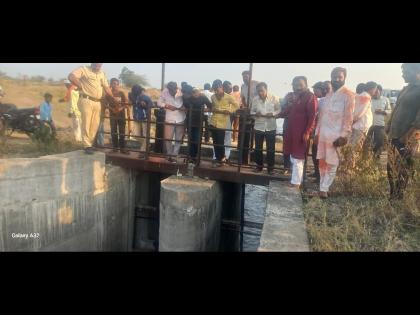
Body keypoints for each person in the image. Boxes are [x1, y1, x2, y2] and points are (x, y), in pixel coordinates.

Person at [315, 67, 355, 199]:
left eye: (340, 77)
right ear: (331, 77)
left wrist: (344, 136)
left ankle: (324, 189)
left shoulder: (349, 95)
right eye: (334, 77)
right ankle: (322, 186)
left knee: (332, 163)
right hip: (323, 134)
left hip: (336, 136)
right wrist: (316, 133)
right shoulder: (328, 94)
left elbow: (349, 117)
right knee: (322, 161)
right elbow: (322, 116)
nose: (336, 79)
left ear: (344, 78)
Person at [386, 63, 420, 199]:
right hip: (395, 134)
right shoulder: (406, 89)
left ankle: (399, 197)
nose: (403, 74)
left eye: (405, 71)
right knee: (390, 166)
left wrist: (407, 135)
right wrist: (389, 125)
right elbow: (396, 109)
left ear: (416, 71)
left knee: (403, 167)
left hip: (407, 137)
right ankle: (393, 194)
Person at [68, 63, 118, 154]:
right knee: (87, 122)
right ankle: (87, 145)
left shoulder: (102, 73)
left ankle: (90, 144)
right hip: (86, 99)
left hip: (98, 102)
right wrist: (79, 84)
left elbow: (106, 87)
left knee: (95, 124)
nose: (98, 65)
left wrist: (112, 97)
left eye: (100, 64)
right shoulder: (84, 69)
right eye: (96, 63)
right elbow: (71, 76)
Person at [278, 77, 317, 187]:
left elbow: (312, 116)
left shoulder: (311, 97)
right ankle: (294, 180)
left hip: (301, 132)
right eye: (295, 85)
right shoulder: (296, 97)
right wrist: (277, 115)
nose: (297, 87)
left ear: (306, 85)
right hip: (291, 131)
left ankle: (296, 183)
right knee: (292, 155)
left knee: (298, 157)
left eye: (300, 84)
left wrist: (307, 132)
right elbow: (289, 109)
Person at [250, 82, 280, 174]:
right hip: (259, 126)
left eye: (262, 91)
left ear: (266, 90)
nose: (260, 93)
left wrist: (273, 114)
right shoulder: (255, 99)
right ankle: (259, 167)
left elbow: (279, 109)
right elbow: (251, 111)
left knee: (270, 149)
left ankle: (270, 169)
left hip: (270, 127)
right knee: (258, 148)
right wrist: (255, 114)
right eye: (258, 91)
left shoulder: (274, 98)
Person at [210, 80, 239, 167]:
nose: (216, 92)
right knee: (215, 142)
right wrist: (213, 109)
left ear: (222, 88)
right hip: (214, 121)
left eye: (217, 90)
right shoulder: (213, 97)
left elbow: (236, 105)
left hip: (223, 122)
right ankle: (218, 159)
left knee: (220, 141)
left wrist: (229, 111)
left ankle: (222, 158)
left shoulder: (228, 97)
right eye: (215, 90)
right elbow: (213, 106)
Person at [157, 82, 185, 163]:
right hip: (169, 119)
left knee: (178, 139)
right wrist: (167, 106)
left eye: (174, 90)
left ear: (176, 88)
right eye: (171, 90)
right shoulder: (165, 92)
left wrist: (184, 107)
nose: (172, 92)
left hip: (181, 118)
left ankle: (174, 156)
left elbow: (187, 100)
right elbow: (159, 102)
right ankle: (169, 155)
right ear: (168, 89)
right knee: (168, 138)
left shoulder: (181, 92)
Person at [183, 86, 212, 162]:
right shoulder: (188, 99)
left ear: (199, 92)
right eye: (193, 91)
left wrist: (204, 110)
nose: (195, 93)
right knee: (191, 139)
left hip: (198, 122)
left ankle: (195, 157)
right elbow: (185, 105)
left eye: (196, 91)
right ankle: (192, 157)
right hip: (190, 122)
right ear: (191, 92)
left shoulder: (203, 98)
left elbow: (210, 105)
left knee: (197, 139)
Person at [310, 81, 331, 182]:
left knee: (321, 155)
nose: (314, 93)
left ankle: (320, 176)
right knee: (315, 152)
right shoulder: (322, 100)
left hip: (326, 132)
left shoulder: (327, 100)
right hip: (319, 130)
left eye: (316, 91)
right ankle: (317, 173)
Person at [366, 84, 392, 158]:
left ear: (380, 91)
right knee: (367, 141)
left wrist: (383, 111)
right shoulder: (369, 99)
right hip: (369, 125)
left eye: (377, 91)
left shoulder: (385, 99)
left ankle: (377, 158)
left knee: (380, 142)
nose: (375, 93)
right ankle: (367, 158)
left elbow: (390, 111)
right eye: (374, 91)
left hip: (380, 125)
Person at [104, 78, 129, 153]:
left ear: (119, 85)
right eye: (113, 83)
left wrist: (121, 108)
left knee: (122, 132)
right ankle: (115, 148)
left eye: (117, 84)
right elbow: (105, 104)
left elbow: (126, 104)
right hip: (113, 115)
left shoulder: (121, 93)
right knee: (113, 131)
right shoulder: (108, 94)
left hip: (121, 115)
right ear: (110, 84)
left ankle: (122, 148)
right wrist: (111, 109)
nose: (115, 85)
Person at [239, 70, 259, 164]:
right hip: (247, 113)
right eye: (243, 77)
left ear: (250, 76)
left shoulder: (256, 84)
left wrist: (253, 108)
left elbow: (261, 96)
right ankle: (244, 159)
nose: (244, 78)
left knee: (255, 136)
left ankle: (253, 158)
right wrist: (245, 106)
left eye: (246, 76)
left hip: (256, 113)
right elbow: (242, 98)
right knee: (245, 135)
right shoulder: (243, 86)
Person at [129, 85, 154, 156]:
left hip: (145, 118)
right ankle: (147, 144)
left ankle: (142, 152)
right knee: (135, 135)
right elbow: (130, 99)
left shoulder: (146, 98)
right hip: (136, 118)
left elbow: (151, 106)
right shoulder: (132, 95)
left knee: (146, 135)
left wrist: (145, 106)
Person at [350, 82, 376, 149]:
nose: (375, 91)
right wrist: (353, 121)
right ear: (372, 89)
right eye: (375, 89)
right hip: (360, 126)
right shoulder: (365, 97)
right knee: (355, 148)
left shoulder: (363, 96)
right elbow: (360, 112)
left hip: (359, 126)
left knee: (355, 146)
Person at [223, 81, 234, 161]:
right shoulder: (218, 97)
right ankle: (219, 157)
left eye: (231, 88)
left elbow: (235, 108)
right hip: (219, 122)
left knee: (227, 141)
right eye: (229, 88)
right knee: (219, 140)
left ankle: (226, 157)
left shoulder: (230, 97)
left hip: (228, 121)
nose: (231, 90)